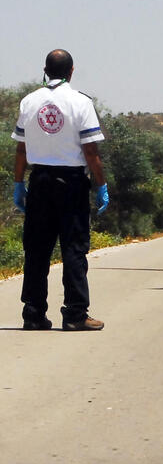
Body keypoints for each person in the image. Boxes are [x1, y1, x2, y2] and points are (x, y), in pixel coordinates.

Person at [12, 49, 108, 331]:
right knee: (74, 248)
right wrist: (101, 185)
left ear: (45, 70)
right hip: (71, 183)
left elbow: (21, 149)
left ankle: (33, 314)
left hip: (39, 181)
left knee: (37, 249)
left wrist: (19, 183)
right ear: (71, 71)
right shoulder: (80, 102)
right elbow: (91, 151)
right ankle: (76, 315)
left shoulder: (29, 102)